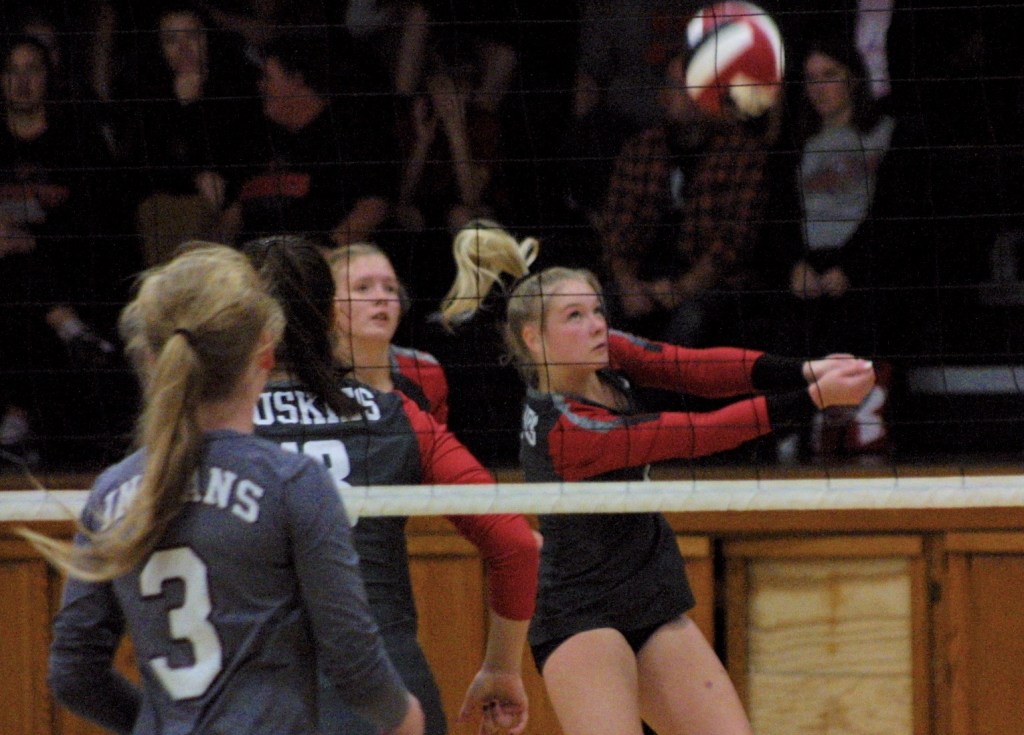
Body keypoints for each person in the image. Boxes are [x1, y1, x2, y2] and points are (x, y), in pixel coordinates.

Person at [439, 224, 876, 735]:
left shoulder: (604, 354)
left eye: (598, 310)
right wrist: (814, 399)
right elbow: (699, 434)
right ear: (535, 339)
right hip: (581, 614)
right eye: (575, 316)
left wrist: (805, 370)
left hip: (649, 596)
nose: (596, 325)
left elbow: (692, 368)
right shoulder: (567, 429)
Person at [18, 245, 425, 735]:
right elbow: (354, 662)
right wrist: (404, 716)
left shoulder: (113, 491)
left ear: (151, 359)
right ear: (265, 353)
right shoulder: (292, 483)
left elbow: (73, 672)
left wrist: (154, 722)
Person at [242, 235, 538, 735]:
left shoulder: (215, 423)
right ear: (330, 313)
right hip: (388, 686)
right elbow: (517, 543)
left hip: (256, 689)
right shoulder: (397, 414)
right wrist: (502, 668)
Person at [770, 38, 903, 460]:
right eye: (811, 79)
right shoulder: (796, 142)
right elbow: (779, 216)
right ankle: (796, 429)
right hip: (810, 260)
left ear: (854, 80)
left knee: (864, 314)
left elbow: (894, 213)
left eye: (830, 76)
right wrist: (795, 264)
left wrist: (851, 267)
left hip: (865, 259)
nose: (819, 88)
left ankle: (862, 425)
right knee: (786, 322)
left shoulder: (886, 133)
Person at [598, 49, 777, 349]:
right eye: (673, 85)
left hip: (708, 282)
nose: (678, 94)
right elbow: (616, 226)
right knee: (592, 307)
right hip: (642, 275)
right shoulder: (642, 148)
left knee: (691, 320)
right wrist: (629, 285)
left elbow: (733, 242)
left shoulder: (742, 153)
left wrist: (682, 289)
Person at [219, 31, 397, 247]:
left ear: (297, 80)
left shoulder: (352, 133)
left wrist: (321, 256)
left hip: (317, 259)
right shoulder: (258, 139)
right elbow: (233, 215)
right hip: (250, 260)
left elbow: (372, 207)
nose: (260, 85)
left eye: (267, 77)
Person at [132, 3, 260, 266]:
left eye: (192, 36)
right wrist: (184, 108)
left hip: (237, 204)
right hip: (177, 209)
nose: (184, 48)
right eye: (171, 40)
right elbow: (147, 164)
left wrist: (235, 198)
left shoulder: (236, 85)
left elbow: (248, 152)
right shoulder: (147, 95)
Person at [328, 242, 449, 423]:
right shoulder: (303, 372)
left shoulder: (426, 372)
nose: (382, 297)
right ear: (330, 304)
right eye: (363, 288)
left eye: (390, 288)